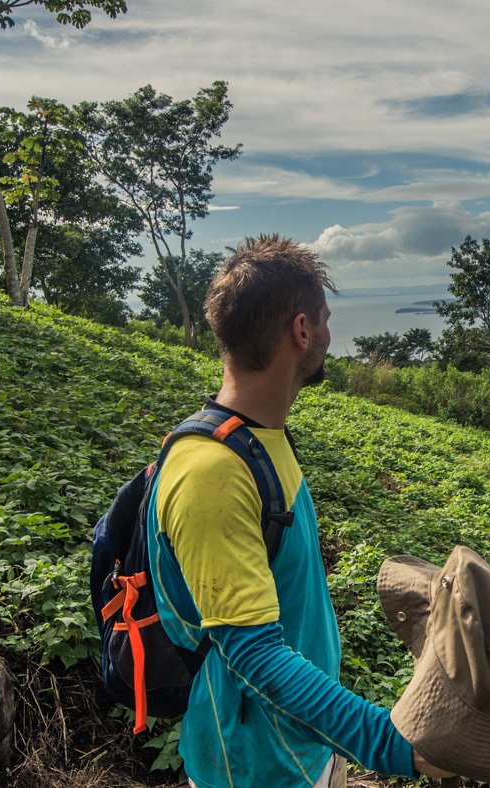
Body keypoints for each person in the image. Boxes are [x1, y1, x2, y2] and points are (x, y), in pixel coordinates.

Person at [146, 234, 453, 787]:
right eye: (327, 320)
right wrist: (390, 745)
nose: (331, 336)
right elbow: (254, 654)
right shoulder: (209, 475)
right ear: (302, 329)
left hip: (304, 742)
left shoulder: (263, 439)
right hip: (254, 765)